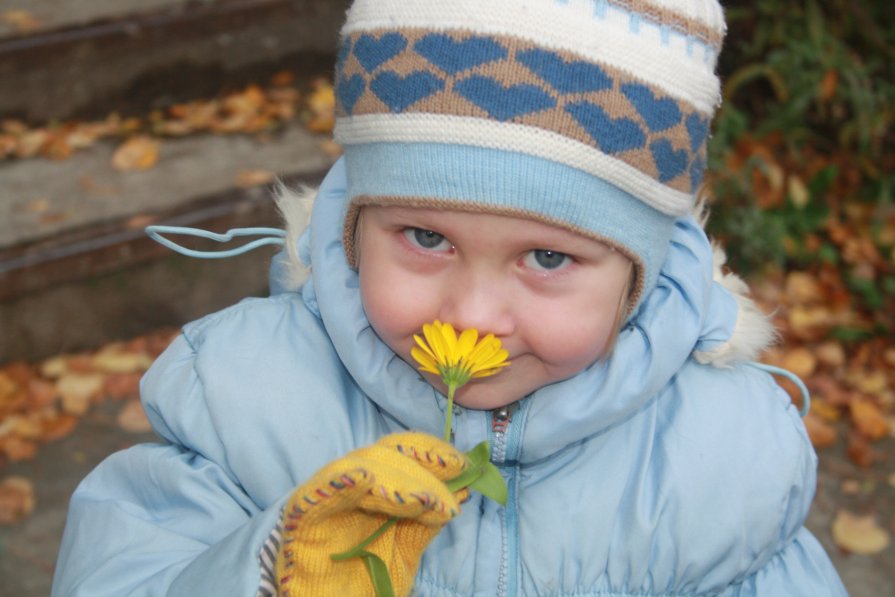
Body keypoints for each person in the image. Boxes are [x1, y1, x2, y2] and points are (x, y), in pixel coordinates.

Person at [53, 0, 847, 595]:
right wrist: (267, 569)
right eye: (425, 239)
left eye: (546, 256)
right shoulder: (237, 396)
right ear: (353, 227)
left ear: (634, 275)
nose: (468, 315)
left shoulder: (728, 457)